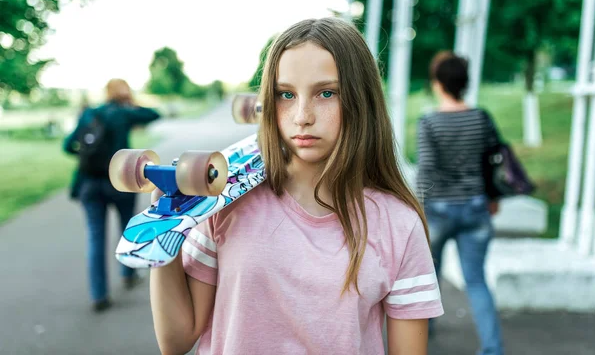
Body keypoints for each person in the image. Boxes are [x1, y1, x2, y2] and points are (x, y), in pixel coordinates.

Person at [150, 17, 444, 355]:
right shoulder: (227, 201)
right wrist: (165, 230)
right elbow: (175, 341)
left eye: (326, 93)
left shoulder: (398, 224)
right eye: (286, 94)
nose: (302, 115)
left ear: (361, 100)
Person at [416, 51, 504, 355]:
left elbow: (426, 169)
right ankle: (493, 349)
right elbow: (494, 162)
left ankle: (420, 339)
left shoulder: (429, 122)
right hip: (477, 208)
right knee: (477, 281)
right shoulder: (481, 118)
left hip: (439, 210)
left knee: (428, 278)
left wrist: (418, 207)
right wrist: (493, 198)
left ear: (438, 83)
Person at [63, 78, 161, 312]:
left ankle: (99, 295)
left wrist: (87, 155)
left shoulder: (89, 114)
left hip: (89, 183)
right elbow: (153, 114)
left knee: (95, 237)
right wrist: (131, 102)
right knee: (126, 228)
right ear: (124, 92)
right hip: (119, 182)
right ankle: (127, 273)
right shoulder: (123, 113)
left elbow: (67, 145)